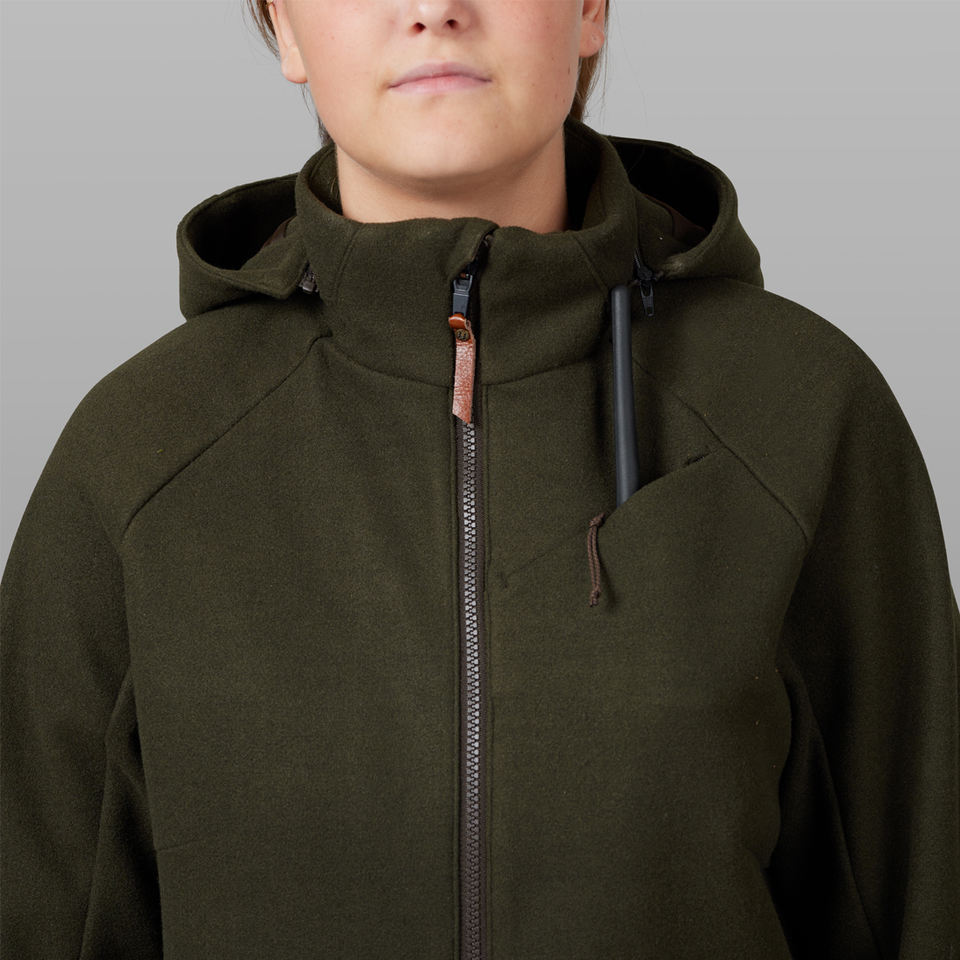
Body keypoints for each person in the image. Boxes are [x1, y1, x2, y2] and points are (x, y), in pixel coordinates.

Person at [2, 0, 958, 957]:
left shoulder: (799, 416)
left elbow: (922, 897)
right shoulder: (139, 458)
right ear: (285, 27)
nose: (433, 10)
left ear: (590, 11)